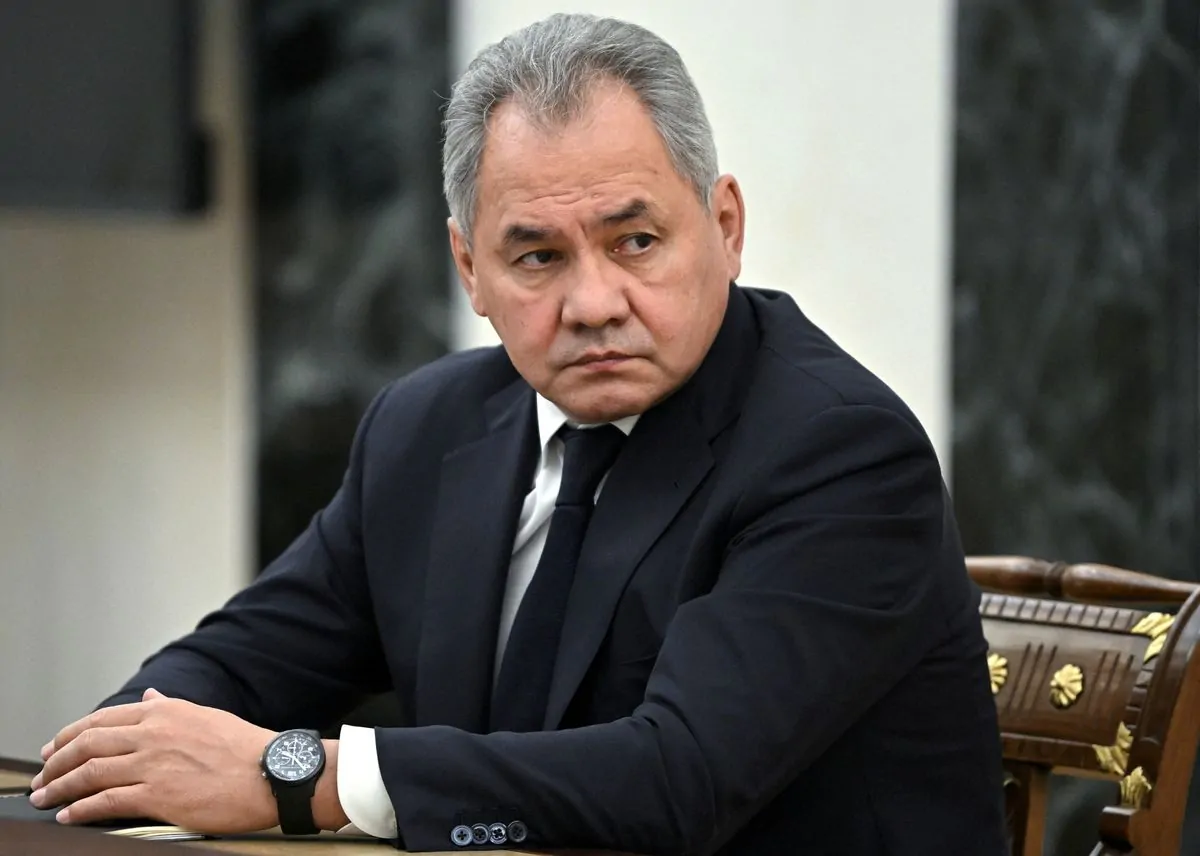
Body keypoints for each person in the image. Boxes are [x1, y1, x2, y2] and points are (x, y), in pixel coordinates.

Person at [28, 13, 1008, 855]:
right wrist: (122, 758)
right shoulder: (428, 429)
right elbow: (240, 665)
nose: (593, 302)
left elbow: (680, 776)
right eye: (537, 257)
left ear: (725, 226)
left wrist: (301, 778)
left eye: (636, 242)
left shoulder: (838, 453)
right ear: (470, 269)